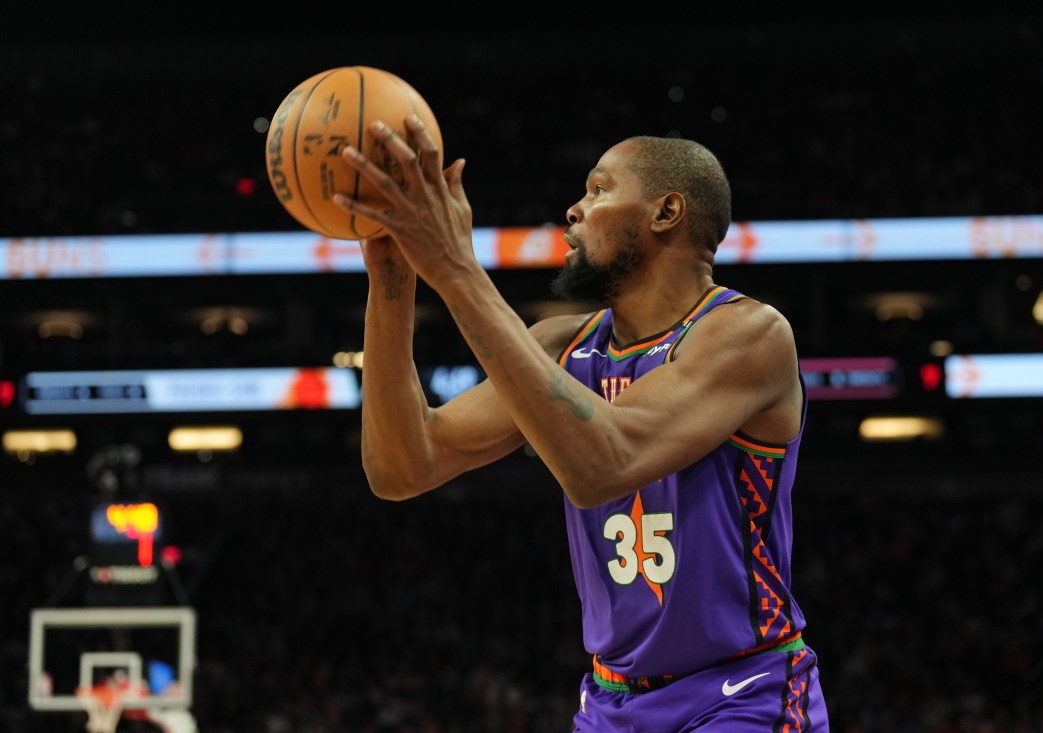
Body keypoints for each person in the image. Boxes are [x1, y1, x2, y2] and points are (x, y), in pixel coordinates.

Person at [332, 116, 830, 732]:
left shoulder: (747, 334)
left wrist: (454, 265)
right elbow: (401, 466)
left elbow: (604, 466)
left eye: (598, 190)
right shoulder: (561, 347)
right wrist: (393, 273)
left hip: (740, 694)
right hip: (610, 701)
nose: (573, 209)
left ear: (666, 211)